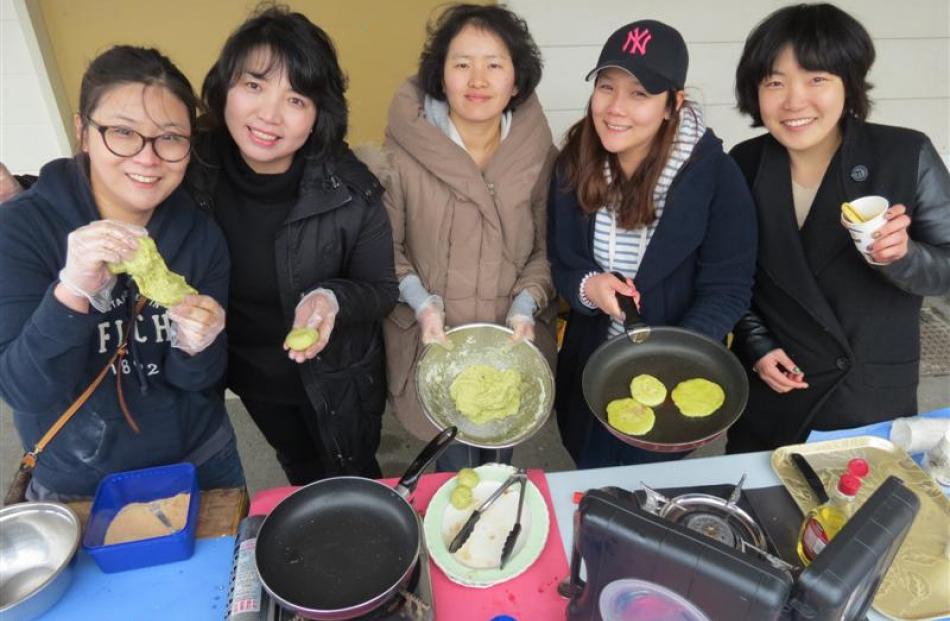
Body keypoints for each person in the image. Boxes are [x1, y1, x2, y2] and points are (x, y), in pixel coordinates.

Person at [0, 46, 244, 500]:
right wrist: (70, 293)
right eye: (123, 132)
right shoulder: (20, 231)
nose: (148, 158)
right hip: (79, 484)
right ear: (84, 132)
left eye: (170, 138)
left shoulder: (200, 236)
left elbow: (199, 384)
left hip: (201, 462)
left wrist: (198, 344)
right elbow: (24, 390)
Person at [726, 4, 950, 452]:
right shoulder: (744, 163)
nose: (793, 101)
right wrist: (757, 345)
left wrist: (904, 256)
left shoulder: (904, 154)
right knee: (758, 513)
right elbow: (731, 277)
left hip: (866, 395)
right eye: (775, 82)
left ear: (848, 83)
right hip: (776, 390)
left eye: (816, 79)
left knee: (861, 515)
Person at [188, 6, 398, 483]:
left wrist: (331, 297)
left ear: (318, 116)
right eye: (254, 85)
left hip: (341, 377)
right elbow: (113, 180)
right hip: (253, 377)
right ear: (225, 87)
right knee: (298, 467)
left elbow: (381, 289)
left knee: (355, 471)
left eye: (296, 99)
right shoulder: (190, 166)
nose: (269, 115)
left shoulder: (352, 191)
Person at [548, 20, 757, 468]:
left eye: (640, 93)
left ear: (672, 105)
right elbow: (564, 262)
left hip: (674, 374)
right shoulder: (573, 163)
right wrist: (590, 287)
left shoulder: (716, 176)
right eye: (607, 87)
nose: (616, 108)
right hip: (591, 365)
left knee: (650, 490)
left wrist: (670, 354)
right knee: (589, 472)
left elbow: (728, 287)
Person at [380, 4, 558, 469]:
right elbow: (385, 251)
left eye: (494, 65)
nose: (477, 80)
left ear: (516, 81)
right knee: (450, 472)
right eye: (462, 64)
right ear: (441, 76)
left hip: (511, 345)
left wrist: (526, 303)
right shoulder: (398, 157)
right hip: (434, 346)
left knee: (499, 461)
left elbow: (549, 249)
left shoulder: (540, 155)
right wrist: (420, 301)